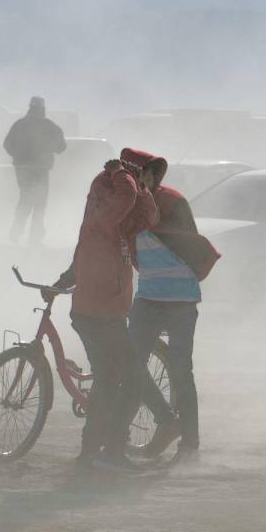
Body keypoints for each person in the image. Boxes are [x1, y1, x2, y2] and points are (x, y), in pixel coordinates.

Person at [48, 149, 158, 472]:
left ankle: (94, 453)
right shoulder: (104, 217)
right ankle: (107, 451)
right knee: (127, 382)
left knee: (110, 380)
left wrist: (141, 185)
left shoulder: (114, 227)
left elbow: (149, 215)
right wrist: (123, 175)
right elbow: (124, 203)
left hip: (105, 313)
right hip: (99, 315)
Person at [118, 148, 221, 465]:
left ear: (151, 174)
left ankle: (189, 444)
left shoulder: (172, 201)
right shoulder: (125, 205)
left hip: (180, 298)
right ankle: (160, 422)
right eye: (136, 174)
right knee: (131, 367)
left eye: (145, 174)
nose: (141, 180)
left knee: (180, 371)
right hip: (148, 295)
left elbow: (188, 244)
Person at [3, 96, 67, 244]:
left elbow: (7, 144)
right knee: (40, 203)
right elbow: (62, 147)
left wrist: (18, 157)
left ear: (30, 108)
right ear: (43, 109)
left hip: (22, 169)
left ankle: (16, 231)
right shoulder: (49, 126)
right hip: (41, 169)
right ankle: (35, 236)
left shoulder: (19, 125)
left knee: (25, 199)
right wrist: (49, 149)